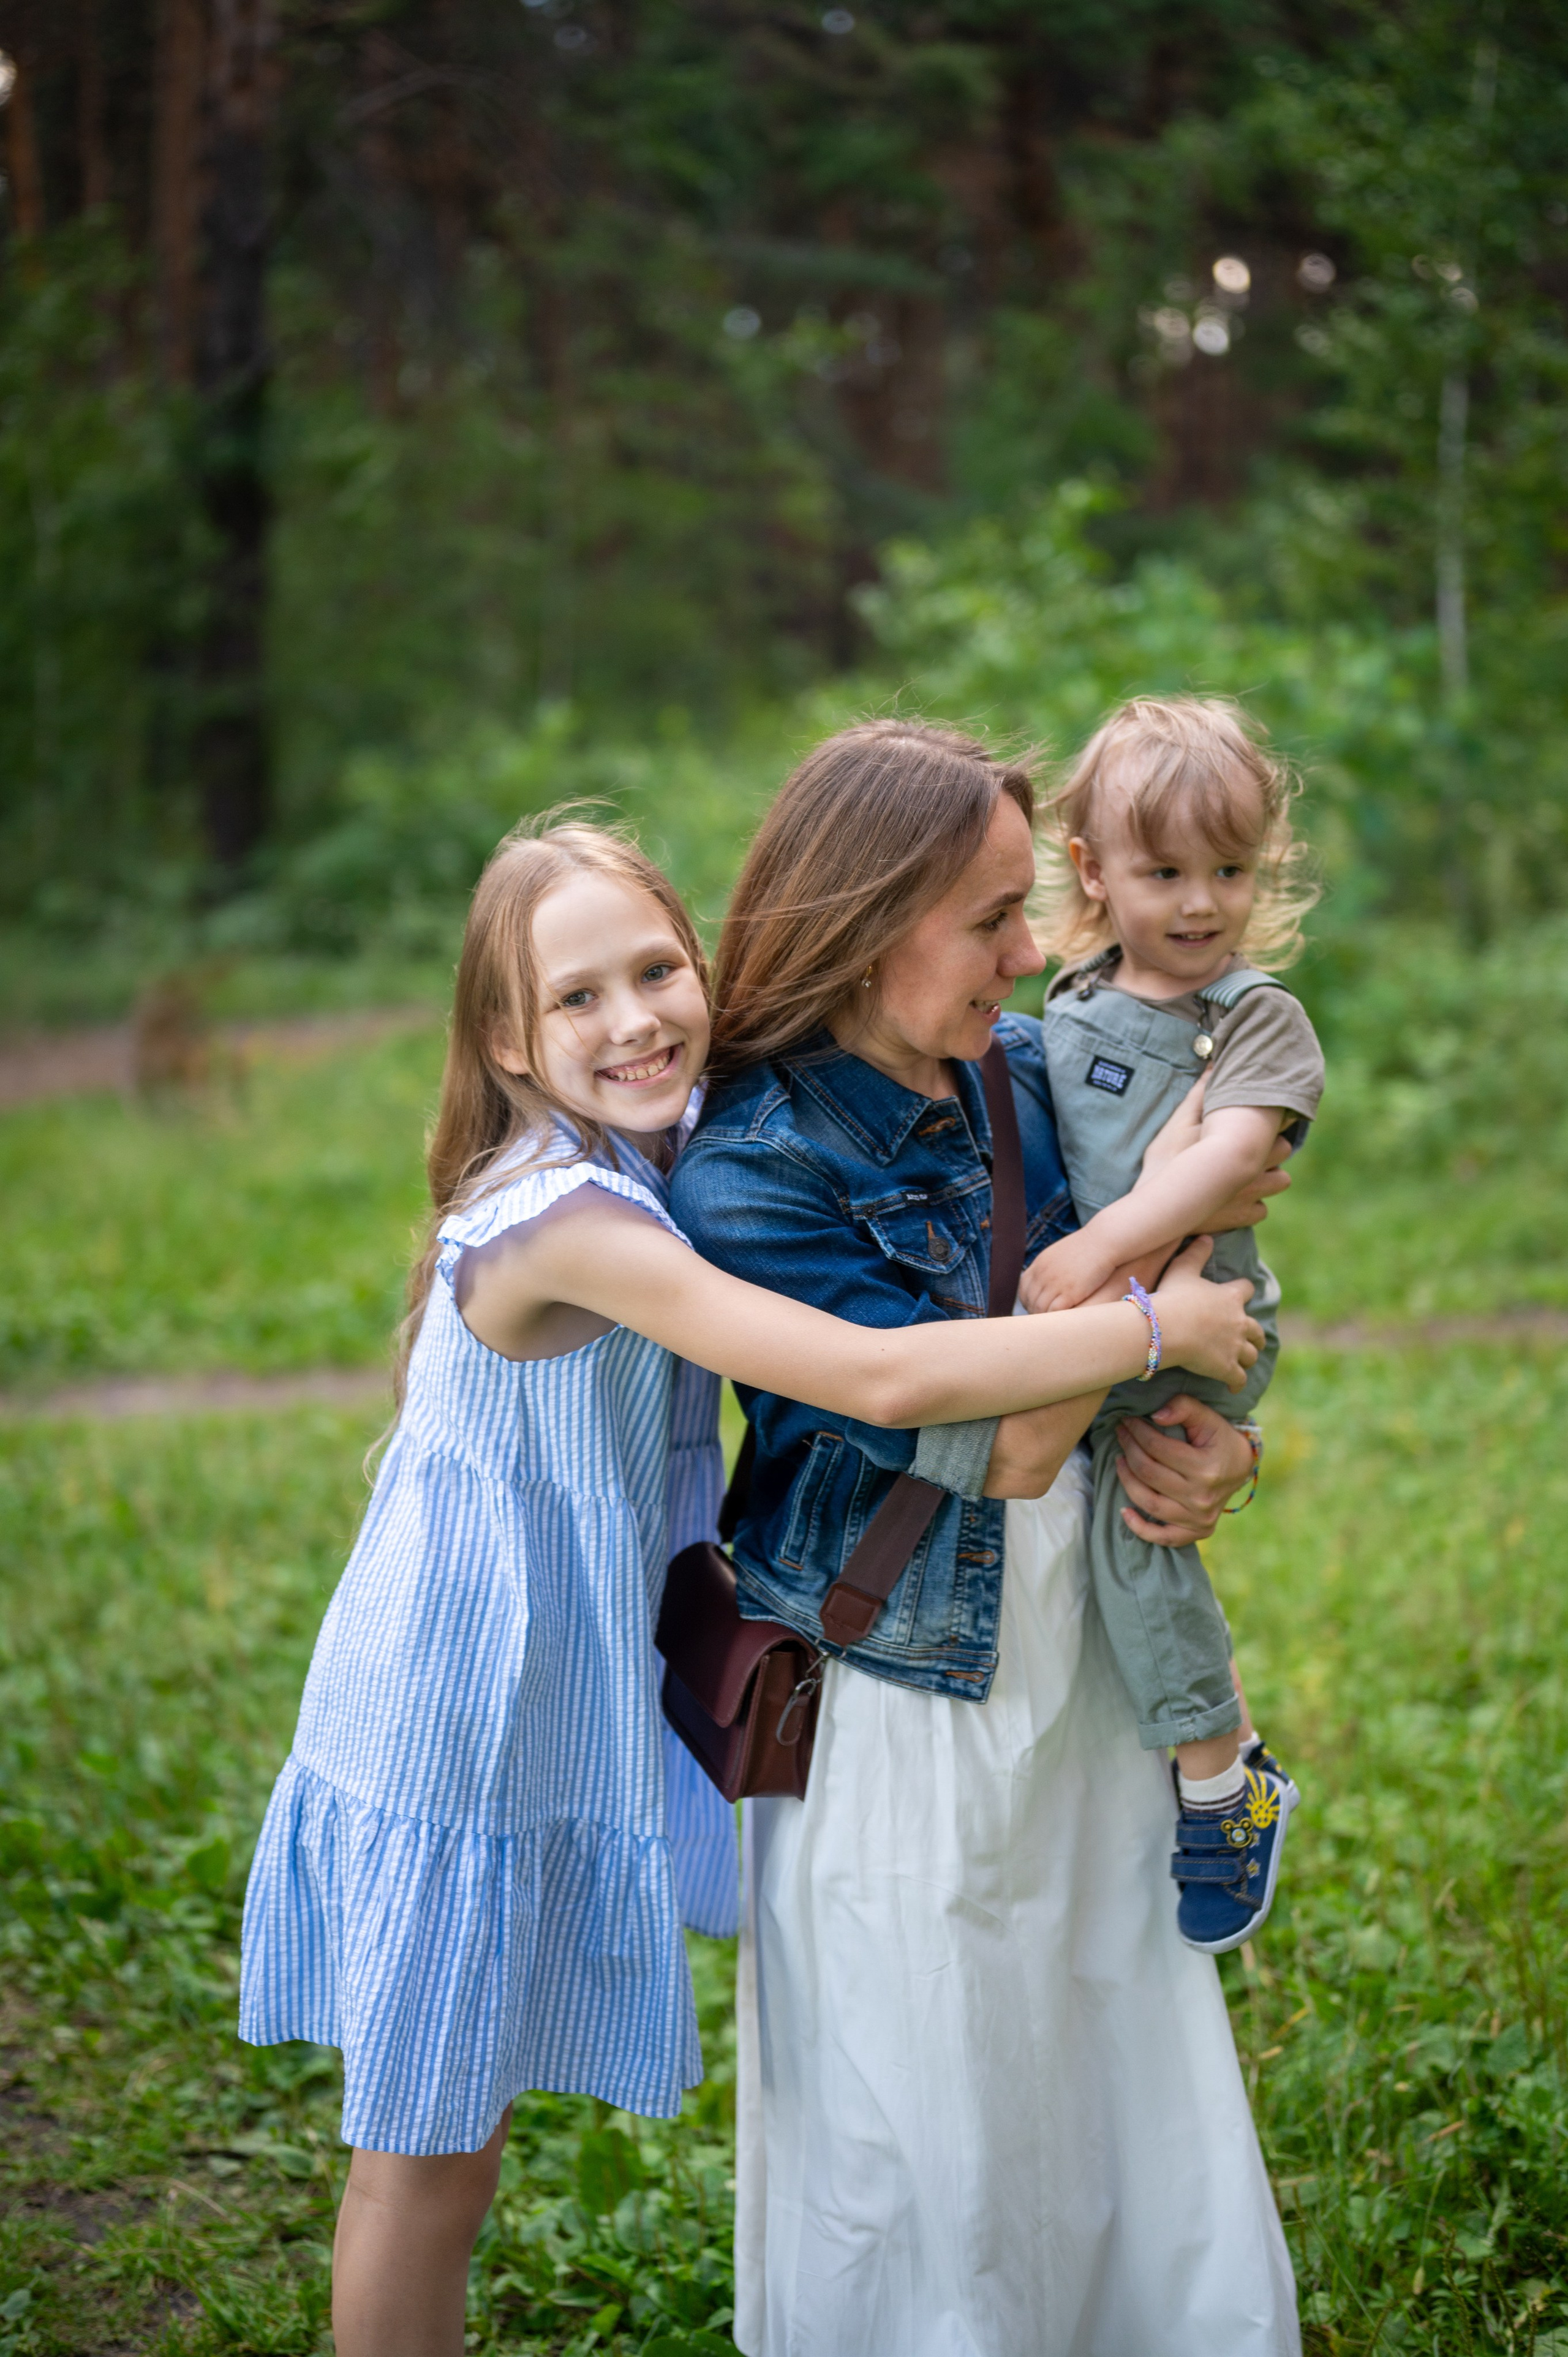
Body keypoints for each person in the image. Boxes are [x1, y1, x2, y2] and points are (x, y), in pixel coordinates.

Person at [238, 815, 1261, 2357]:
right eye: (576, 997)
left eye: (657, 970)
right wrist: (1152, 1326)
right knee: (426, 2162)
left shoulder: (658, 1143)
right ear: (507, 1040)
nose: (633, 1019)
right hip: (458, 1702)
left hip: (552, 1677)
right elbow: (874, 1375)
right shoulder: (567, 1220)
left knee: (456, 2146)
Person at [671, 719, 1303, 2357]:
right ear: (870, 923)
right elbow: (1007, 1442)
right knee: (926, 2105)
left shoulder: (1025, 1069)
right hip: (897, 1684)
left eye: (1030, 908)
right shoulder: (751, 1173)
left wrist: (1217, 1442)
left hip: (1077, 1645)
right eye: (992, 919)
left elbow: (1223, 1276)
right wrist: (1157, 1315)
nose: (1033, 957)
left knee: (1106, 2041)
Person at [1022, 695, 1325, 1955]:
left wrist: (1101, 1252)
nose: (1202, 904)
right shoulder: (1073, 992)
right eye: (1164, 873)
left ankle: (1223, 1786)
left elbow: (1230, 1159)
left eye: (1229, 871)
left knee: (1137, 1538)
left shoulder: (1253, 1016)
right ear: (1092, 870)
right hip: (1107, 1317)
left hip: (1194, 1319)